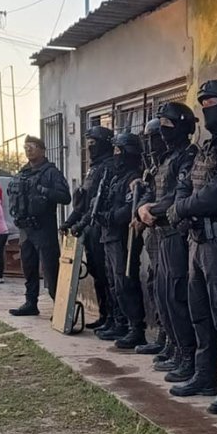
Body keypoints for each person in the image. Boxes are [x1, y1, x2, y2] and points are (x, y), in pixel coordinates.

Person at [167, 80, 217, 414]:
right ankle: (204, 375)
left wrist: (182, 208)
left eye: (211, 102)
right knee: (199, 314)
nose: (205, 109)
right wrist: (183, 207)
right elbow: (186, 184)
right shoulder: (207, 147)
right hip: (197, 241)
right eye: (202, 103)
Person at [135, 103, 199, 382]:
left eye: (168, 125)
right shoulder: (166, 158)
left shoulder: (189, 155)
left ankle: (187, 355)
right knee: (162, 294)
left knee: (176, 296)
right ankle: (175, 347)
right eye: (160, 125)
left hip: (176, 233)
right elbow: (153, 191)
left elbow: (178, 196)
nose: (162, 131)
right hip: (160, 232)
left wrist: (151, 209)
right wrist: (142, 208)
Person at [93, 132, 148, 347]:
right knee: (114, 283)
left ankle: (135, 328)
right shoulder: (115, 176)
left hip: (124, 236)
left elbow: (130, 208)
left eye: (119, 150)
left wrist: (111, 216)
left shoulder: (134, 177)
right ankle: (120, 322)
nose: (115, 154)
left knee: (125, 281)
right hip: (109, 235)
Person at [7, 135, 71, 317]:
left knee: (50, 269)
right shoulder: (23, 173)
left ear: (42, 150)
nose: (28, 150)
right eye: (26, 147)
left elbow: (65, 197)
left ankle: (59, 307)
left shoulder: (51, 173)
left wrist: (45, 191)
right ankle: (31, 303)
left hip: (44, 227)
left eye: (32, 146)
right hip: (25, 228)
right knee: (28, 267)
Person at [60, 126, 116, 330]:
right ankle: (104, 315)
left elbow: (97, 205)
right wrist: (69, 222)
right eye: (88, 144)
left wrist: (80, 223)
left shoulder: (109, 167)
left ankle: (113, 318)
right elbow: (82, 203)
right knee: (97, 274)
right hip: (89, 229)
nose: (90, 148)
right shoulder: (93, 169)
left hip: (101, 227)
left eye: (94, 143)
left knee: (107, 275)